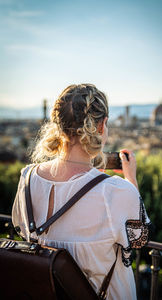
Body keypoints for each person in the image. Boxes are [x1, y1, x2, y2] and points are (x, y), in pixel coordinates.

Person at [12, 83, 151, 300]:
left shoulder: (27, 178)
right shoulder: (116, 191)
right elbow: (137, 239)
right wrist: (130, 178)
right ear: (101, 126)